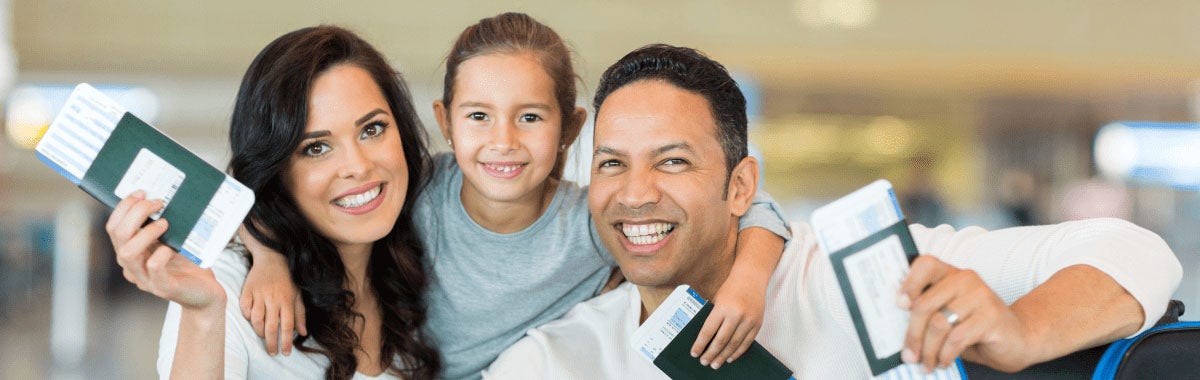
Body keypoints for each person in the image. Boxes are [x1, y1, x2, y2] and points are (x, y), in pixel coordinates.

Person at [484, 44, 1182, 378]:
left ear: (739, 186)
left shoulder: (863, 274)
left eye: (672, 161)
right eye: (611, 163)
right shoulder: (563, 358)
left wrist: (1018, 331)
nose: (634, 193)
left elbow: (1137, 254)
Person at [238, 13, 791, 380]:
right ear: (446, 122)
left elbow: (751, 204)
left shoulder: (593, 222)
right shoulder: (416, 189)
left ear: (570, 130)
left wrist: (748, 281)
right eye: (478, 117)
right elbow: (256, 188)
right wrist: (266, 258)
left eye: (530, 117)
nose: (503, 142)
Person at [105, 26, 440, 379]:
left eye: (372, 129)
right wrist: (204, 314)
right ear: (277, 172)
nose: (358, 166)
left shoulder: (425, 267)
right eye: (316, 148)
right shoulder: (226, 288)